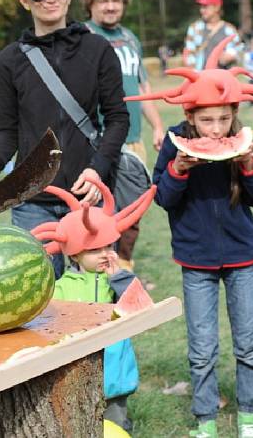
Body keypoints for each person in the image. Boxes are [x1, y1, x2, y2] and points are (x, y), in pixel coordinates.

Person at [126, 37, 253, 438]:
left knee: (249, 343)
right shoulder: (174, 144)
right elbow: (164, 199)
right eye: (207, 122)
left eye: (224, 120)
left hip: (242, 256)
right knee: (202, 347)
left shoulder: (247, 141)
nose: (217, 129)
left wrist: (250, 163)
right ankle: (205, 419)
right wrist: (179, 169)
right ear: (190, 117)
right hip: (195, 259)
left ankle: (249, 415)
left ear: (234, 113)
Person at [0, 0, 129, 280]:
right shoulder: (9, 61)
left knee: (98, 298)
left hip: (89, 196)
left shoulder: (97, 50)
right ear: (26, 0)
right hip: (33, 201)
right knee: (40, 299)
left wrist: (98, 170)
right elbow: (8, 130)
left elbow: (117, 119)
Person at [31, 177, 156, 435]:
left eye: (107, 246)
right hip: (76, 382)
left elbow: (142, 307)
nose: (103, 254)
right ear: (75, 254)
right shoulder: (61, 288)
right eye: (94, 250)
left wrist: (118, 277)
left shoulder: (118, 280)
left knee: (116, 428)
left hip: (114, 380)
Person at [82, 0, 164, 271]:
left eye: (116, 0)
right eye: (103, 1)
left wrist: (156, 125)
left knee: (131, 213)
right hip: (98, 142)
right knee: (94, 214)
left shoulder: (130, 38)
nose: (110, 7)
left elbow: (143, 88)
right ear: (90, 3)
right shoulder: (83, 37)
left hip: (133, 140)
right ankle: (93, 275)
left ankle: (124, 272)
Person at [183, 0, 243, 70]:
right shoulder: (194, 28)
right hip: (201, 77)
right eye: (201, 7)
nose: (202, 10)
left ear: (217, 7)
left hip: (223, 78)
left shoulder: (229, 29)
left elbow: (239, 51)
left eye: (205, 7)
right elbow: (189, 53)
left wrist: (231, 56)